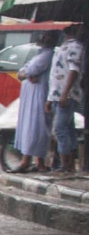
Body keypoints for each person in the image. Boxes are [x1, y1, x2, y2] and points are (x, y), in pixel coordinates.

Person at [15, 31, 57, 172]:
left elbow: (30, 70)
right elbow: (23, 71)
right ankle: (34, 161)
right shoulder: (39, 54)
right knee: (31, 127)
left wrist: (27, 74)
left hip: (39, 96)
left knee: (37, 127)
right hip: (31, 96)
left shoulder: (48, 55)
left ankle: (32, 161)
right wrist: (26, 74)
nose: (44, 38)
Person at [45, 23, 85, 174]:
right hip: (57, 95)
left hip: (65, 96)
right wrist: (50, 98)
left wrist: (65, 93)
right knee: (68, 129)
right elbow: (55, 75)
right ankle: (69, 165)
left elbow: (74, 71)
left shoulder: (75, 47)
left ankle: (65, 166)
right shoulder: (62, 47)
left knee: (60, 129)